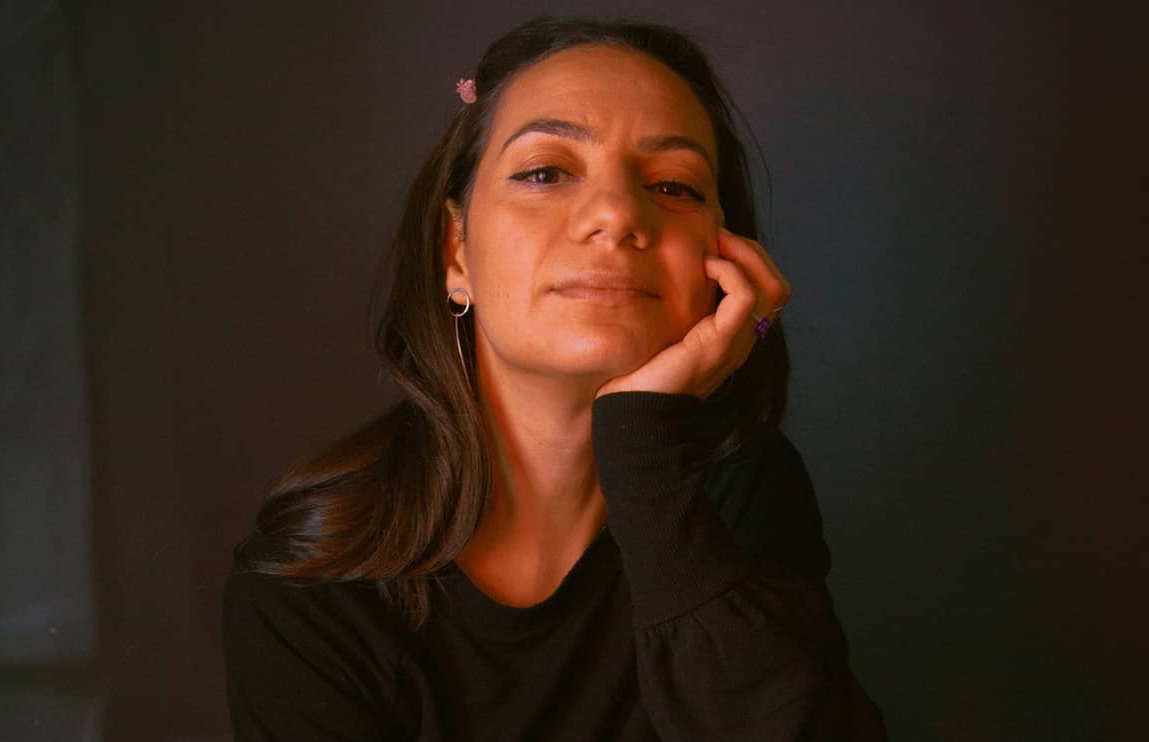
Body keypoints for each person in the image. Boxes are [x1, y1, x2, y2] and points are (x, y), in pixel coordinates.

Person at [222, 15, 886, 741]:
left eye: (673, 185)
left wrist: (643, 447)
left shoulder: (741, 494)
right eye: (545, 173)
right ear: (455, 252)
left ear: (722, 260)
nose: (616, 214)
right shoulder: (316, 583)